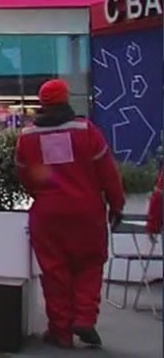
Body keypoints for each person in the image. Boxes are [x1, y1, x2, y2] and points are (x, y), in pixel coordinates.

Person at [15, 79, 125, 349]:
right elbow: (108, 172)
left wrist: (40, 194)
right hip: (87, 212)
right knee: (90, 264)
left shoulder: (28, 137)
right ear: (66, 100)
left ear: (41, 103)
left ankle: (60, 331)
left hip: (48, 214)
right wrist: (117, 204)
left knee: (54, 272)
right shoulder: (86, 131)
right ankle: (85, 319)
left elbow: (23, 174)